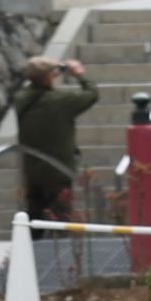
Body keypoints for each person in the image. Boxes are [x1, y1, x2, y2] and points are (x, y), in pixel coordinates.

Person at [10, 56, 96, 223]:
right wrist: (79, 73)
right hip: (59, 170)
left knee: (34, 216)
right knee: (60, 217)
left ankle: (32, 246)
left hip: (32, 170)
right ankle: (59, 248)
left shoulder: (20, 99)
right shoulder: (61, 100)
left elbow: (33, 86)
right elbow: (92, 93)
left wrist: (45, 74)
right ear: (50, 77)